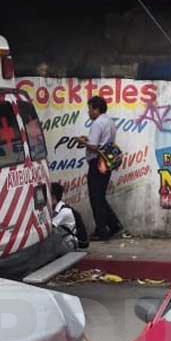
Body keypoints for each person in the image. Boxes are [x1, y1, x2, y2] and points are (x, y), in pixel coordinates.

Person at [80, 96, 124, 240]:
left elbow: (94, 146)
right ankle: (113, 224)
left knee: (95, 197)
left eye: (90, 109)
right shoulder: (110, 122)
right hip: (107, 162)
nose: (89, 112)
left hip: (97, 163)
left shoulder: (97, 123)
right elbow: (104, 143)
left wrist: (82, 141)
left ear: (96, 109)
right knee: (100, 196)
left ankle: (101, 230)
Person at [50, 182, 88, 252]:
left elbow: (49, 228)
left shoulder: (64, 211)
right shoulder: (56, 209)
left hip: (69, 244)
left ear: (53, 198)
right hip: (64, 241)